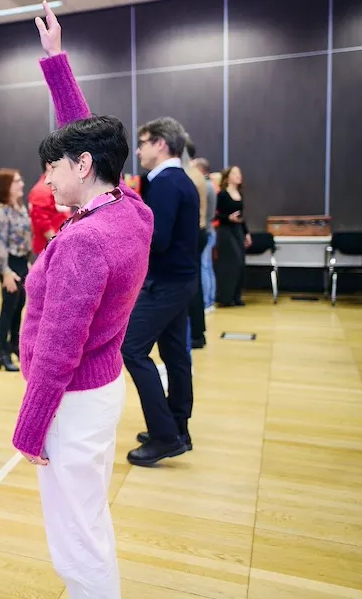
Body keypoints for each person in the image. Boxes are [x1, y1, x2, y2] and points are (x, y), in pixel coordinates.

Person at [12, 1, 153, 599]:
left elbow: (57, 346)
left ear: (85, 167)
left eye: (54, 169)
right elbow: (87, 139)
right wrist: (56, 63)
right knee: (86, 512)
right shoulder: (128, 209)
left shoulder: (86, 241)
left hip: (71, 397)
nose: (47, 180)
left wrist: (31, 424)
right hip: (99, 388)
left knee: (76, 528)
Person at [120, 115, 200, 467]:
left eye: (143, 142)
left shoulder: (166, 183)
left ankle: (165, 435)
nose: (138, 150)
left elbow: (158, 239)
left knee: (132, 348)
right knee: (174, 353)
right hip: (179, 280)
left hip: (164, 283)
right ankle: (178, 427)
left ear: (161, 144)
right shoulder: (178, 179)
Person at [0, 168, 32, 371]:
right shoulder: (1, 212)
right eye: (16, 181)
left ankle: (14, 345)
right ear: (7, 186)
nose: (21, 184)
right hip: (10, 265)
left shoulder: (20, 208)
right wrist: (5, 271)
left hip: (22, 262)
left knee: (19, 306)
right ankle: (1, 352)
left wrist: (27, 262)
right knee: (8, 309)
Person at [184, 141, 209, 349]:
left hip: (193, 233)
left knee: (193, 285)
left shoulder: (190, 175)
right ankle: (197, 332)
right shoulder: (195, 174)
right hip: (199, 231)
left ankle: (197, 334)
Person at [215, 166, 251, 307]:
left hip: (238, 230)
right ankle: (225, 297)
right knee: (231, 263)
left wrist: (246, 233)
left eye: (239, 173)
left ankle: (237, 296)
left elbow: (242, 216)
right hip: (226, 231)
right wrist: (228, 218)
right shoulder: (222, 195)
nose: (238, 176)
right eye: (235, 173)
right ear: (228, 177)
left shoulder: (240, 194)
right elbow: (217, 215)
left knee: (240, 262)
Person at [27, 169, 71, 257]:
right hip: (49, 250)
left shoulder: (57, 187)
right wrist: (58, 245)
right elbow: (43, 224)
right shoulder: (41, 190)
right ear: (49, 165)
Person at [193, 157, 217, 312]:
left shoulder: (205, 187)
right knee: (208, 267)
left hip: (206, 230)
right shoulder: (211, 186)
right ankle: (210, 300)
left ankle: (207, 301)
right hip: (211, 230)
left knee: (204, 266)